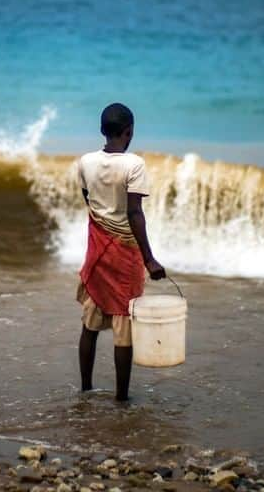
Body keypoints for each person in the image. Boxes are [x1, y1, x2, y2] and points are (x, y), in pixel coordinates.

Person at [76, 102, 166, 402]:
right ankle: (121, 399)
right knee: (123, 327)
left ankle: (86, 389)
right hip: (125, 254)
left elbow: (89, 199)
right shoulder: (134, 165)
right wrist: (150, 259)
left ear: (103, 131)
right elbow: (134, 213)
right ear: (129, 132)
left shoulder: (85, 162)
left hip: (97, 251)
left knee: (89, 324)